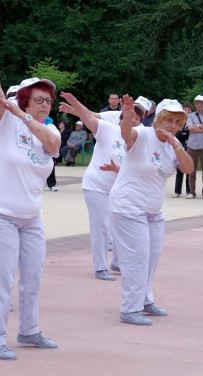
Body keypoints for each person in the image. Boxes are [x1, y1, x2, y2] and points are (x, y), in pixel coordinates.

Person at [0, 19, 60, 359]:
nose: (44, 105)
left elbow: (52, 146)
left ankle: (28, 331)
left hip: (31, 217)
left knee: (33, 278)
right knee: (1, 281)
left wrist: (26, 116)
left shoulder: (48, 132)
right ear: (23, 100)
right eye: (38, 100)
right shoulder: (5, 121)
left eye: (47, 101)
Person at [110, 95, 193, 325]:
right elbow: (127, 136)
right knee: (137, 258)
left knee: (151, 257)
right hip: (128, 206)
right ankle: (130, 308)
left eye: (177, 123)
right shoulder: (143, 135)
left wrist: (176, 143)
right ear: (158, 120)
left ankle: (145, 300)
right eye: (169, 121)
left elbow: (188, 168)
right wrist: (127, 119)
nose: (173, 126)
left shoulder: (173, 146)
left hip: (153, 211)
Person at [58, 92, 149, 281]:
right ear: (121, 118)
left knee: (121, 226)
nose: (133, 121)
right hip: (96, 186)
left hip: (119, 190)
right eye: (130, 116)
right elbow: (88, 117)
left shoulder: (141, 138)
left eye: (137, 118)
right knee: (101, 227)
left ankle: (117, 262)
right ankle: (100, 266)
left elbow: (140, 169)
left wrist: (119, 169)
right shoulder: (108, 129)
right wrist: (74, 102)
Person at [172, 102, 193, 197]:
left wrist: (185, 134)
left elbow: (192, 134)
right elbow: (177, 135)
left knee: (189, 170)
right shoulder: (178, 121)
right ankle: (177, 191)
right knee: (179, 170)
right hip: (179, 147)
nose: (187, 111)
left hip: (190, 147)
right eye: (186, 109)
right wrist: (185, 134)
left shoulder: (193, 121)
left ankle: (189, 191)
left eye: (189, 110)